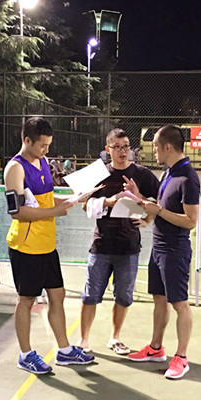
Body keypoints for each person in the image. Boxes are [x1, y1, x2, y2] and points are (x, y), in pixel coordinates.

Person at [4, 117, 94, 375]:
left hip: (46, 244)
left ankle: (64, 351)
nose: (46, 150)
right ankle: (25, 354)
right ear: (27, 140)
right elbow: (17, 212)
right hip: (26, 246)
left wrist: (69, 200)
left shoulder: (42, 162)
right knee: (26, 300)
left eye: (48, 145)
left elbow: (43, 199)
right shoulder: (15, 169)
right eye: (42, 145)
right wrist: (55, 211)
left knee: (58, 295)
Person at [127, 125, 199, 380]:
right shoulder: (168, 173)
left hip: (175, 249)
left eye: (156, 146)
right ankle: (156, 348)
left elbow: (191, 221)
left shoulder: (188, 177)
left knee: (179, 303)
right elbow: (160, 206)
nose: (153, 150)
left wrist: (158, 212)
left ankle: (181, 357)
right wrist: (140, 200)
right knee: (159, 298)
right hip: (158, 247)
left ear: (167, 147)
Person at [78, 128, 159, 355]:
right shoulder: (98, 174)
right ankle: (83, 341)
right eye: (117, 147)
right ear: (108, 149)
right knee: (90, 295)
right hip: (101, 244)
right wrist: (108, 202)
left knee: (124, 296)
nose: (123, 152)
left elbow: (160, 200)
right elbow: (84, 204)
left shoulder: (142, 174)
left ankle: (115, 338)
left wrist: (148, 218)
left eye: (126, 147)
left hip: (129, 246)